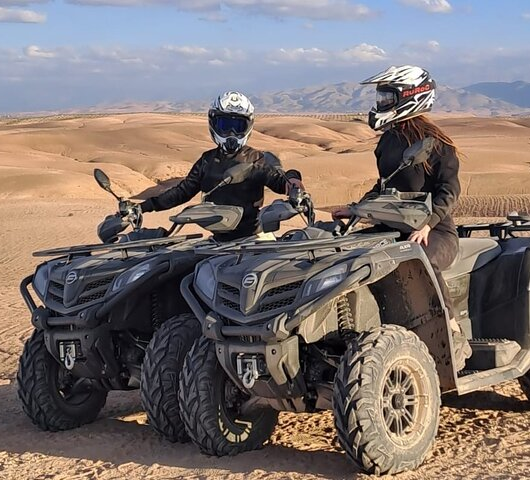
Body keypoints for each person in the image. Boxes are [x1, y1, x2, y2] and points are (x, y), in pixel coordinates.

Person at [333, 65, 472, 369]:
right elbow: (385, 188)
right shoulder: (388, 141)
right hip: (391, 228)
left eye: (387, 96)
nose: (380, 103)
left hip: (435, 233)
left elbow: (450, 190)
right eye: (381, 96)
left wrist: (428, 223)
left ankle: (450, 328)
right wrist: (356, 208)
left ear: (410, 96)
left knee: (420, 256)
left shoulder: (437, 144)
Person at [138, 91, 303, 241]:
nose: (231, 133)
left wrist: (293, 180)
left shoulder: (255, 160)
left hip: (253, 239)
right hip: (218, 241)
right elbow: (182, 192)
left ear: (248, 126)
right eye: (224, 125)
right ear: (213, 124)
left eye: (238, 126)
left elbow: (280, 180)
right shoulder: (207, 160)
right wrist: (143, 207)